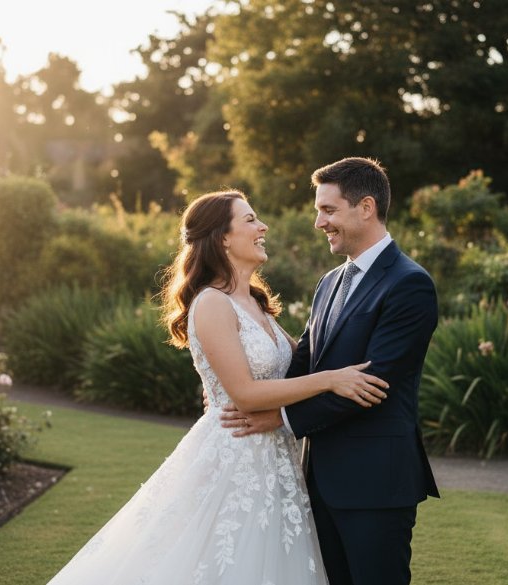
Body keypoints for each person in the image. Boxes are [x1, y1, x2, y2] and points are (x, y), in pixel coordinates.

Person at [46, 190, 390, 584]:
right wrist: (333, 380)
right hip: (234, 456)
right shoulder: (211, 303)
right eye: (250, 220)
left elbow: (294, 370)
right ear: (222, 237)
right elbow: (244, 393)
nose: (262, 227)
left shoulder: (257, 306)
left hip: (276, 460)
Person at [221, 157, 440, 585]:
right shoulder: (330, 282)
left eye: (328, 210)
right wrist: (246, 387)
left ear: (366, 207)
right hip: (318, 479)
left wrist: (280, 418)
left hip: (375, 482)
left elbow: (372, 385)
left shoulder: (409, 284)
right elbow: (305, 363)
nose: (319, 222)